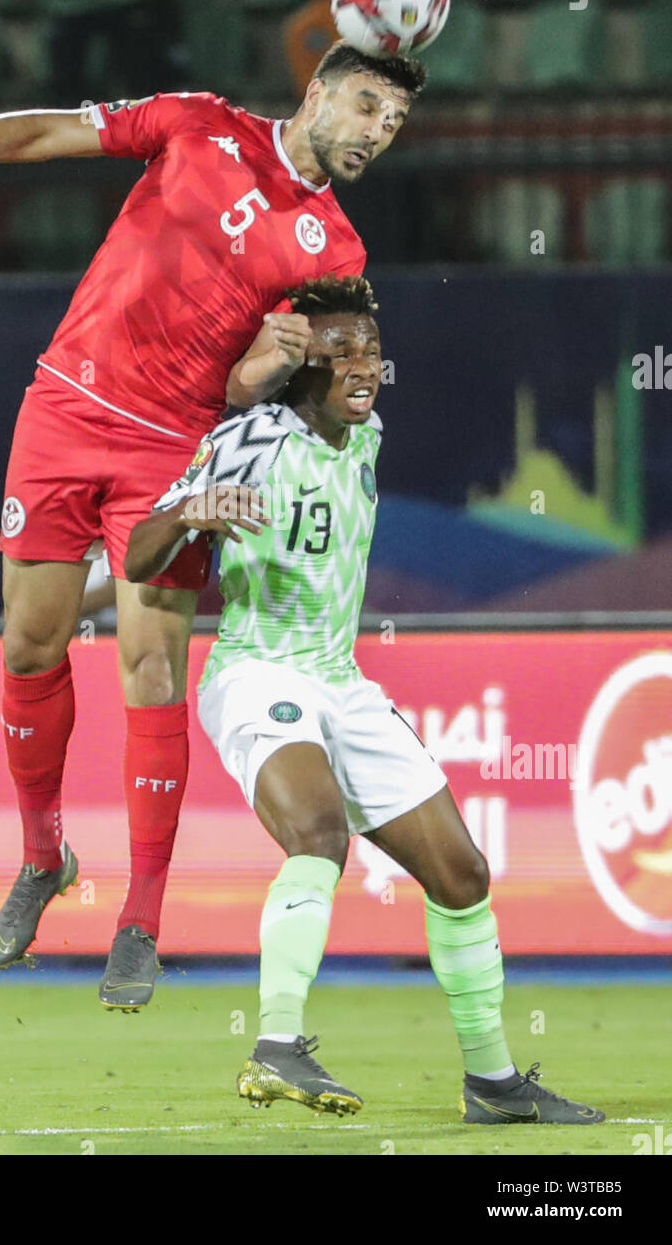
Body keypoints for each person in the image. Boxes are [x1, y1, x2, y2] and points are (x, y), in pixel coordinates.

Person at [0, 42, 424, 1011]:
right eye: (361, 106)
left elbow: (242, 388)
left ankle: (139, 918)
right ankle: (41, 855)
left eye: (389, 124)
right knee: (28, 641)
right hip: (64, 405)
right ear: (315, 90)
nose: (371, 132)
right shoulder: (198, 122)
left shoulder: (335, 255)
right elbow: (56, 128)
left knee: (149, 664)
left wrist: (267, 368)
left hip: (171, 446)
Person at [125, 274, 605, 1123]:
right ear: (300, 361)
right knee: (318, 833)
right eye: (342, 351)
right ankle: (276, 1046)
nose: (364, 367)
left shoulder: (368, 434)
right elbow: (138, 555)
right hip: (258, 672)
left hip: (341, 680)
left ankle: (492, 1084)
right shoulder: (252, 440)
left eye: (373, 352)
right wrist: (194, 509)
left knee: (462, 874)